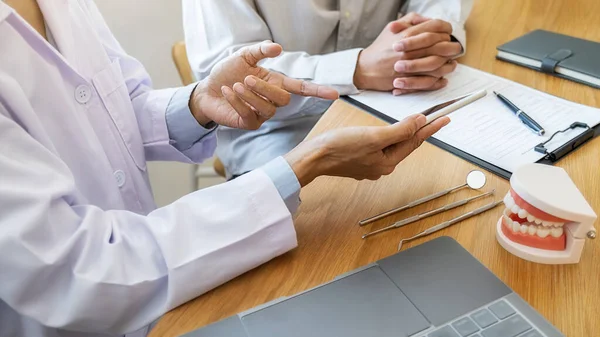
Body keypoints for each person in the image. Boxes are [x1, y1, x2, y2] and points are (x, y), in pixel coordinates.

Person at [0, 0, 449, 336]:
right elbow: (80, 268)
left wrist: (197, 104)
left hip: (164, 278)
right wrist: (304, 165)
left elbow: (116, 105)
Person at [184, 0, 474, 179]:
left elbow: (439, 5)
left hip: (393, 102)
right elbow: (227, 76)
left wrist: (429, 39)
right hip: (277, 136)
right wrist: (357, 69)